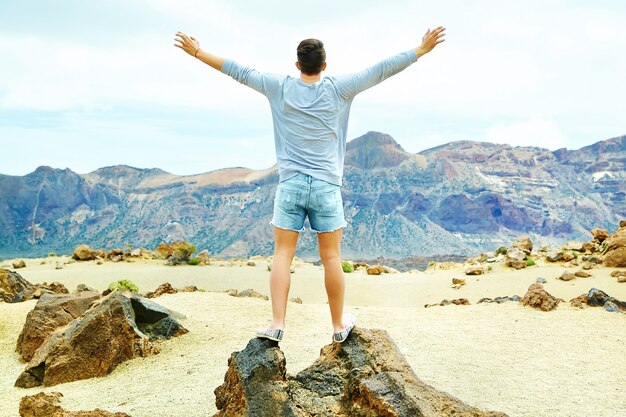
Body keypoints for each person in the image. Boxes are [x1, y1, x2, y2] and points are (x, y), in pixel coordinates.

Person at [174, 27, 446, 343]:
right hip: (326, 187)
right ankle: (337, 327)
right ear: (325, 65)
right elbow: (381, 70)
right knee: (331, 258)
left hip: (289, 185)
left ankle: (277, 323)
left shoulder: (278, 86)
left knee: (282, 256)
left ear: (297, 64)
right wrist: (421, 49)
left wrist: (196, 52)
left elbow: (238, 70)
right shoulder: (340, 88)